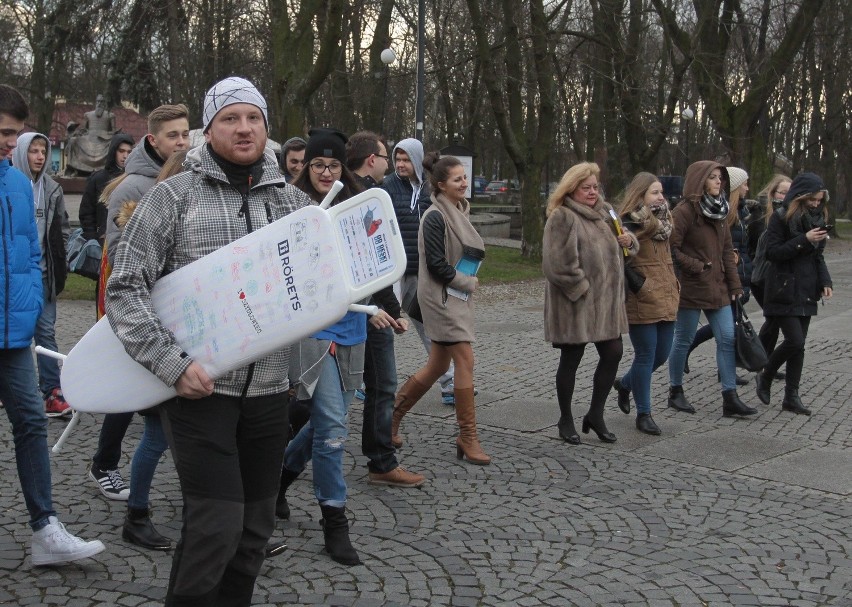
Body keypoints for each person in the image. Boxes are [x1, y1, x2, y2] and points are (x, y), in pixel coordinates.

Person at [107, 76, 311, 604]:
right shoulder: (173, 197)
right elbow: (124, 289)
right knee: (216, 527)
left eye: (253, 118)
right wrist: (172, 366)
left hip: (268, 392)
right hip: (200, 393)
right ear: (208, 128)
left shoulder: (292, 203)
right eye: (230, 118)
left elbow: (310, 288)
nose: (243, 128)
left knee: (253, 532)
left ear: (267, 128)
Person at [0, 83, 105, 566]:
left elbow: (27, 259)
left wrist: (32, 311)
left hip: (14, 335)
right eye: (3, 132)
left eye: (14, 134)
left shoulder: (19, 185)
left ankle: (45, 528)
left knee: (30, 424)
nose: (9, 143)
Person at [88, 103, 190, 501]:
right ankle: (105, 464)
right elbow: (119, 255)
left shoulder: (185, 178)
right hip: (136, 304)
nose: (181, 141)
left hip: (172, 306)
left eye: (185, 134)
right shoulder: (132, 188)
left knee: (148, 392)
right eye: (172, 135)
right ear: (153, 139)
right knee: (128, 385)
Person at [277, 128, 369, 566]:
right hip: (312, 329)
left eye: (333, 165)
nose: (325, 172)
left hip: (354, 324)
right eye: (317, 165)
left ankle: (279, 477)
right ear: (305, 167)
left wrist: (390, 307)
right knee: (332, 425)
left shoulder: (355, 205)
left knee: (323, 422)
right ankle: (335, 520)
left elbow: (375, 261)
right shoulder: (290, 207)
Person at [391, 152, 492, 463]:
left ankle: (390, 419)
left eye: (464, 177)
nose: (464, 183)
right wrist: (467, 282)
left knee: (436, 365)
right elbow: (435, 266)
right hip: (441, 300)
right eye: (457, 179)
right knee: (465, 360)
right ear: (440, 185)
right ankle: (467, 436)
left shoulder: (459, 211)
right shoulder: (435, 216)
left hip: (454, 299)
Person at [345, 130, 425, 488]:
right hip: (362, 309)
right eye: (383, 155)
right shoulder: (360, 196)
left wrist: (393, 308)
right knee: (380, 384)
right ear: (371, 160)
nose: (389, 163)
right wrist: (386, 308)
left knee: (363, 387)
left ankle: (379, 455)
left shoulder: (364, 193)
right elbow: (367, 263)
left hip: (373, 305)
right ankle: (380, 460)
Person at [116, 150, 188, 552]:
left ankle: (223, 518)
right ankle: (136, 515)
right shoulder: (153, 221)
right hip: (161, 345)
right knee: (157, 435)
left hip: (194, 346)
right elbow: (132, 289)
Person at [542, 162, 636, 445]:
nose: (593, 192)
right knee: (571, 359)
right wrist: (583, 289)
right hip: (575, 305)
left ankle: (596, 414)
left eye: (595, 186)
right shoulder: (563, 216)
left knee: (613, 352)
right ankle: (565, 418)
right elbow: (557, 265)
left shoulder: (604, 213)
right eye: (587, 188)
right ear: (572, 188)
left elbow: (622, 248)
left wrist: (629, 241)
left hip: (605, 305)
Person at [666, 161, 757, 417]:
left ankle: (730, 397)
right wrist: (697, 266)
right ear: (700, 181)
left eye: (721, 178)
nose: (720, 182)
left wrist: (735, 285)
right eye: (714, 177)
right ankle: (675, 391)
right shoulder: (683, 211)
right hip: (693, 287)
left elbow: (728, 251)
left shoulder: (721, 211)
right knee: (683, 340)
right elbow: (672, 249)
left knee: (727, 338)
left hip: (719, 288)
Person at [382, 139, 457, 406]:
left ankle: (450, 384)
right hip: (390, 272)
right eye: (397, 159)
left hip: (418, 270)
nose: (401, 165)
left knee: (429, 326)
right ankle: (372, 382)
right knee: (381, 327)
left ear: (416, 160)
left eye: (405, 160)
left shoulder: (429, 189)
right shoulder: (387, 187)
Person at [755, 173, 832, 416]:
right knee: (794, 340)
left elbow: (817, 256)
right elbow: (773, 253)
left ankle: (791, 396)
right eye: (812, 200)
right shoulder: (780, 218)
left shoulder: (818, 217)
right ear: (801, 197)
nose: (816, 204)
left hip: (807, 289)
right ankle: (766, 374)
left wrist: (825, 281)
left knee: (799, 347)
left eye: (819, 200)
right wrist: (804, 239)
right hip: (783, 288)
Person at [612, 173, 679, 435]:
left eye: (661, 192)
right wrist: (639, 284)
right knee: (646, 354)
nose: (661, 197)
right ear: (640, 195)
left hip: (667, 294)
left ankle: (625, 384)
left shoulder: (666, 220)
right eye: (654, 192)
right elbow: (618, 259)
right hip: (642, 296)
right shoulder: (627, 222)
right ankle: (644, 413)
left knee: (662, 354)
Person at [11, 133, 72, 418]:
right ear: (22, 152)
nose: (39, 156)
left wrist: (62, 261)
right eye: (33, 151)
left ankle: (52, 390)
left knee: (45, 332)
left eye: (42, 151)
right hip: (13, 276)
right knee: (11, 331)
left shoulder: (52, 188)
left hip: (43, 273)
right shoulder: (10, 183)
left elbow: (61, 229)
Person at [683, 166, 752, 386]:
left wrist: (738, 282)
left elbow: (733, 247)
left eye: (720, 179)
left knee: (726, 333)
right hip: (705, 282)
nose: (747, 189)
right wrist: (702, 266)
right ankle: (680, 373)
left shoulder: (733, 211)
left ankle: (728, 384)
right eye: (744, 184)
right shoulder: (713, 212)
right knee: (715, 332)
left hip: (730, 279)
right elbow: (678, 248)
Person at [750, 174, 792, 379]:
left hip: (778, 276)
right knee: (773, 319)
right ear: (773, 193)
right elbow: (750, 247)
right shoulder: (760, 216)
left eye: (789, 192)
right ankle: (759, 361)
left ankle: (764, 364)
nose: (786, 196)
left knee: (773, 320)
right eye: (782, 192)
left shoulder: (790, 214)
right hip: (760, 277)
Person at [79, 132, 134, 243]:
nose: (125, 156)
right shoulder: (98, 178)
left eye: (129, 152)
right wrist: (93, 237)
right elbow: (86, 212)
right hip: (102, 241)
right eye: (121, 151)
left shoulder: (135, 178)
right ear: (114, 151)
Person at [65, 94, 117, 175]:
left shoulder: (110, 115)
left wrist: (106, 134)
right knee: (73, 140)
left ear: (104, 103)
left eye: (101, 101)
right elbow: (84, 130)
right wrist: (76, 132)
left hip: (103, 140)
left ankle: (110, 169)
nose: (99, 103)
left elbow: (113, 131)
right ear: (96, 102)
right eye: (98, 101)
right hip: (89, 138)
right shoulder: (88, 115)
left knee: (114, 143)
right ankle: (73, 168)